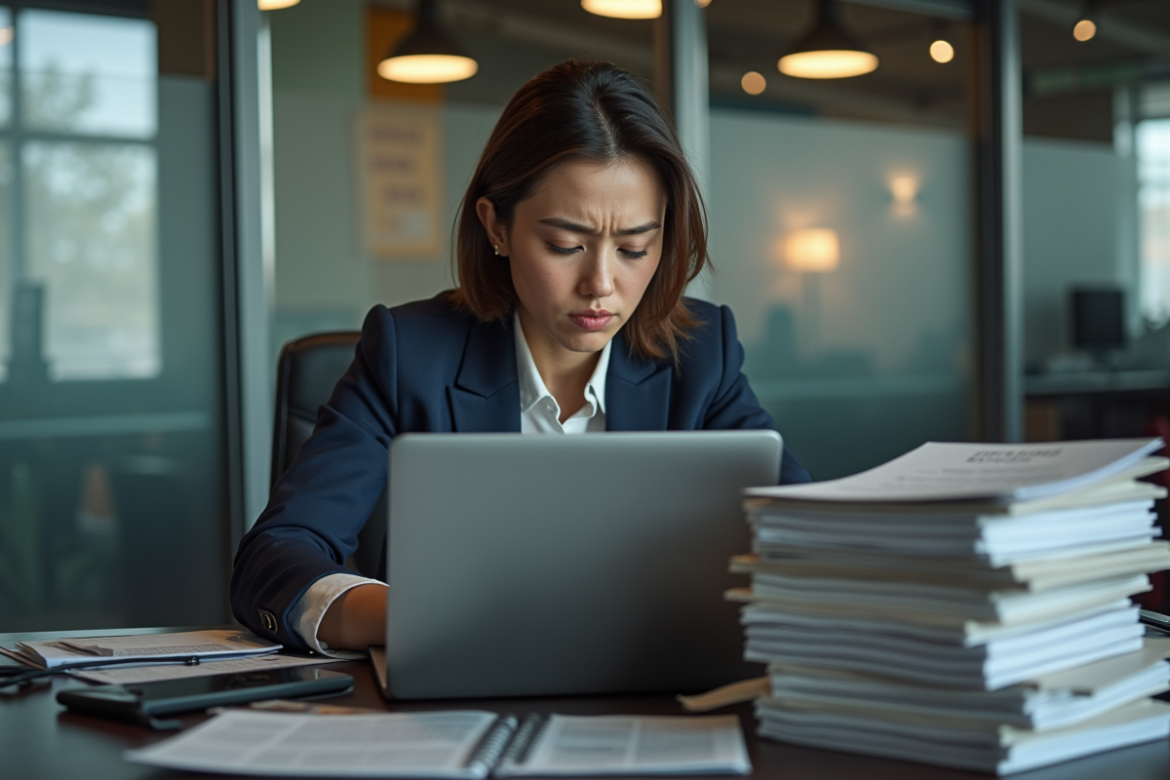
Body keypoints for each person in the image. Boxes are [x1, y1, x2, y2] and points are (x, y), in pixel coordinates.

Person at [231, 60, 811, 656]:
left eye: (634, 248)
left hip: (658, 687)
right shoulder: (410, 356)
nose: (600, 284)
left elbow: (812, 540)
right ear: (497, 227)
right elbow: (275, 557)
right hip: (459, 686)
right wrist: (418, 619)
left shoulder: (701, 356)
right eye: (565, 245)